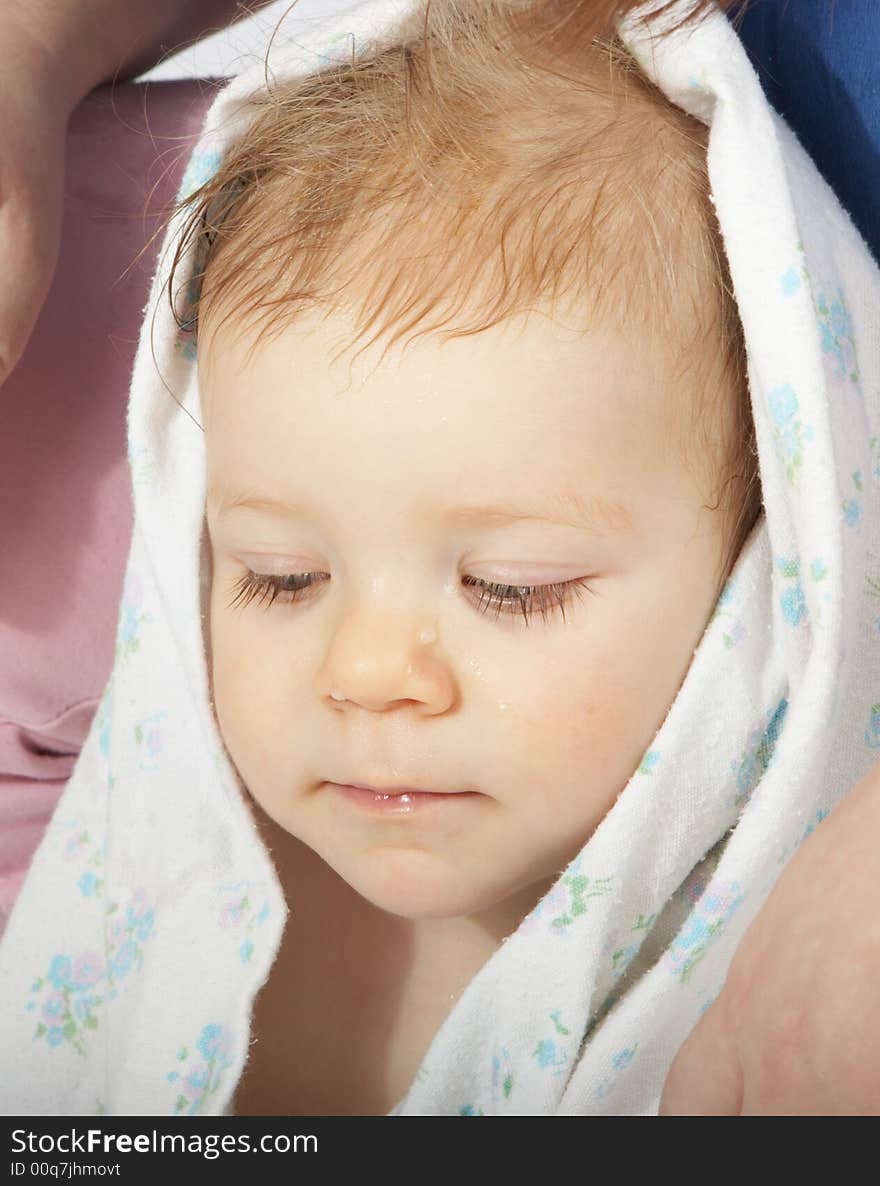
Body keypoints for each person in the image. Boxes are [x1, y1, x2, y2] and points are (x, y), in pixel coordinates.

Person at [0, 0, 878, 1116]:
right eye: (279, 574)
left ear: (768, 558)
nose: (366, 672)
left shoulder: (787, 991)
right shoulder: (142, 894)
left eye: (508, 589)